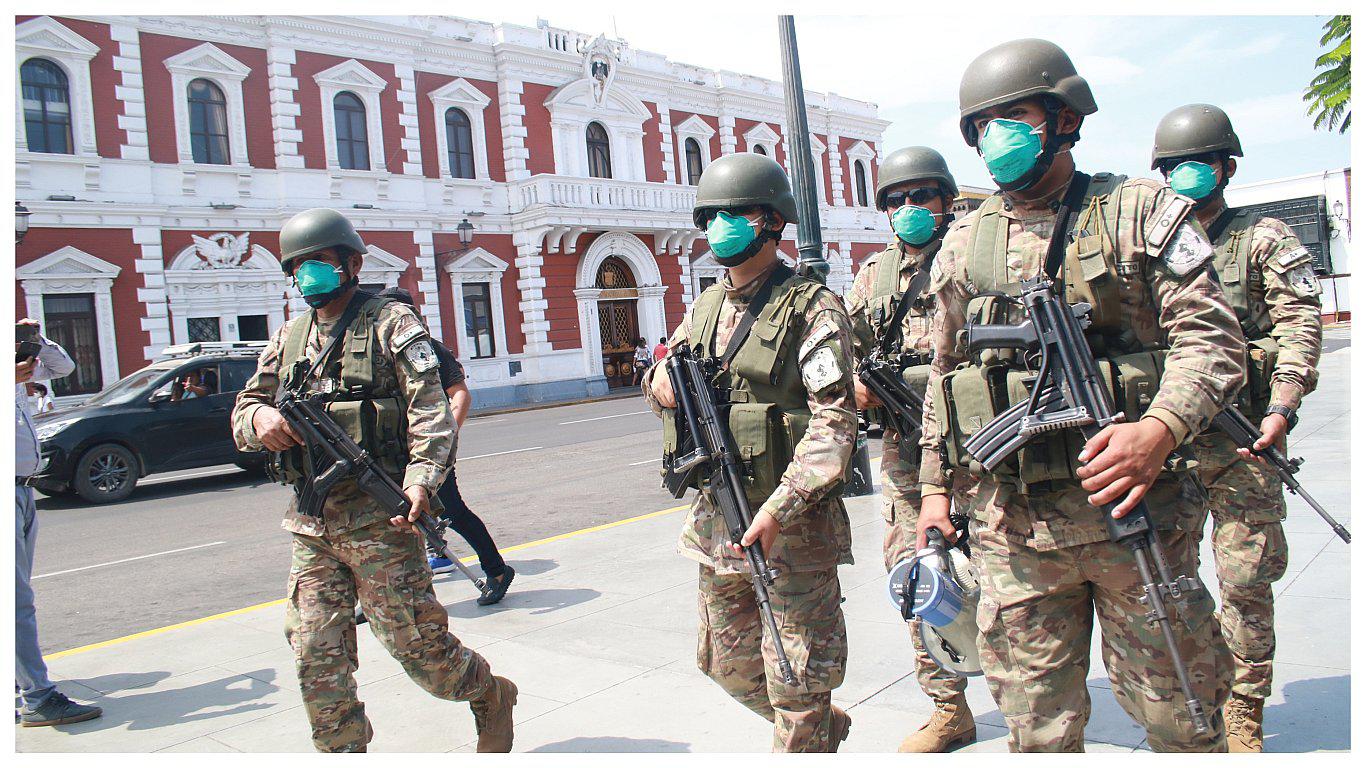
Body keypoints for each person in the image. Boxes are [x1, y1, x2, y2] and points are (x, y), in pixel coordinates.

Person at [915, 39, 1244, 752]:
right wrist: (936, 493)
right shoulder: (963, 243)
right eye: (984, 124)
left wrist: (1158, 428)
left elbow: (1213, 342)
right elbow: (941, 379)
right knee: (1037, 732)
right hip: (1014, 531)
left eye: (1016, 115)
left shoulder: (1138, 211)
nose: (996, 135)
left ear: (1063, 118)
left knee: (1180, 718)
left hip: (1136, 517)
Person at [231, 208, 517, 752]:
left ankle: (488, 693)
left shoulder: (391, 324)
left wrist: (422, 481)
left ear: (351, 263)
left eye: (319, 262)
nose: (308, 275)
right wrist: (258, 420)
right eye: (299, 267)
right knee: (315, 652)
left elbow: (432, 411)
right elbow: (247, 403)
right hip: (313, 524)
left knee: (424, 653)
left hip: (382, 518)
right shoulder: (289, 338)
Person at [643, 153, 857, 752]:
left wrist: (781, 508)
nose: (721, 227)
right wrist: (657, 382)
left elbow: (835, 423)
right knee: (726, 662)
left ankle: (806, 725)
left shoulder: (812, 307)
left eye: (736, 214)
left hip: (788, 529)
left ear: (773, 222)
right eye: (711, 215)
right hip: (720, 524)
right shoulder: (706, 305)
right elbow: (668, 375)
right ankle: (817, 725)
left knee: (795, 676)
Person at [1151, 104, 1324, 752]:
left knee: (1246, 584)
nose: (1186, 176)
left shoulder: (1264, 238)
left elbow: (1299, 325)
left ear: (1226, 167)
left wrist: (1280, 406)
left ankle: (1243, 710)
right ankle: (1197, 695)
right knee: (1166, 581)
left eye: (1198, 164)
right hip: (1169, 446)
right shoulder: (1153, 251)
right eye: (1174, 168)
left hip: (1245, 440)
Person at [843, 146, 976, 752]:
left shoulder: (976, 253)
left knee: (1008, 581)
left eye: (921, 196)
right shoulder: (872, 277)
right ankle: (949, 707)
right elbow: (841, 353)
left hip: (983, 452)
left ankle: (1029, 694)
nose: (908, 209)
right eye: (895, 200)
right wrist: (855, 386)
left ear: (946, 200)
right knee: (916, 580)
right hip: (904, 461)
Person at [376, 286, 515, 606]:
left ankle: (496, 571)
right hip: (390, 453)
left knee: (453, 510)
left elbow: (461, 394)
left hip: (427, 453)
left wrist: (443, 438)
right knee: (385, 519)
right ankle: (375, 591)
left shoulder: (429, 349)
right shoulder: (380, 354)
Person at [15, 319, 103, 727]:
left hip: (22, 490)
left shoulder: (18, 358)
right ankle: (37, 696)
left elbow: (64, 368)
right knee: (15, 603)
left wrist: (34, 339)